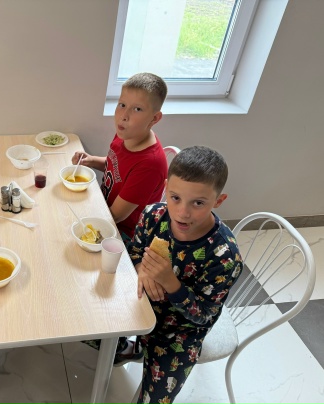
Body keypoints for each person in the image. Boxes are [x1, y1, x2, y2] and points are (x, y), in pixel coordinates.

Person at [127, 145, 243, 403]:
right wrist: (140, 268)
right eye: (175, 197)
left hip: (179, 332)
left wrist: (171, 283)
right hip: (139, 304)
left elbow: (204, 315)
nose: (182, 212)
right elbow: (134, 251)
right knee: (87, 330)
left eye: (198, 203)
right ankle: (126, 349)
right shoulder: (152, 216)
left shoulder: (225, 256)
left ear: (218, 201)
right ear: (166, 188)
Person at [71, 72, 168, 244]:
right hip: (103, 207)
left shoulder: (150, 164)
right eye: (122, 105)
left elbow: (116, 216)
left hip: (123, 234)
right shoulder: (127, 134)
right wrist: (91, 160)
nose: (124, 116)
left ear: (154, 118)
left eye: (137, 109)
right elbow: (115, 168)